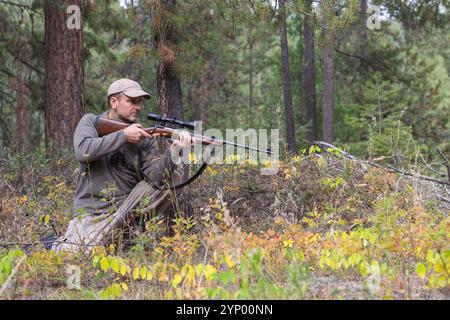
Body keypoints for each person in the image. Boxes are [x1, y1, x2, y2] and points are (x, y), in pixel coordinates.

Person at [50, 78, 193, 252]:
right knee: (72, 254)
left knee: (174, 178)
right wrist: (123, 136)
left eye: (139, 102)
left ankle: (130, 233)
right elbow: (83, 152)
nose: (138, 106)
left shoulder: (145, 139)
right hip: (91, 215)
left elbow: (157, 180)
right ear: (114, 102)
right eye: (131, 101)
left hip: (124, 213)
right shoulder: (91, 122)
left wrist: (174, 153)